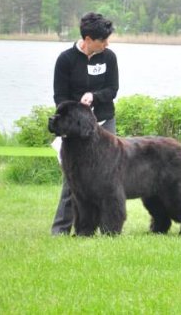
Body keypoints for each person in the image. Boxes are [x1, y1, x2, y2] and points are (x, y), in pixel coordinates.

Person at [50, 12, 118, 235]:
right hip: (75, 130)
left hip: (104, 124)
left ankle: (106, 228)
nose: (106, 44)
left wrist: (94, 96)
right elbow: (60, 97)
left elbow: (112, 89)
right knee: (74, 179)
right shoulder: (65, 59)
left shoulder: (109, 57)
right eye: (103, 40)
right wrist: (77, 111)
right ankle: (60, 228)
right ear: (88, 39)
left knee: (107, 178)